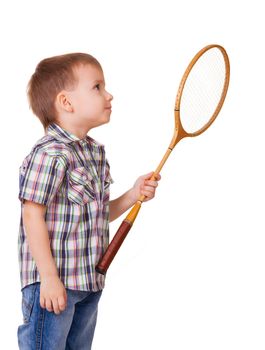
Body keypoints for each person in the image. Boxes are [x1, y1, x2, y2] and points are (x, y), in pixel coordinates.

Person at [17, 52, 160, 349]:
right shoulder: (49, 153)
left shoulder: (94, 153)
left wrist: (133, 195)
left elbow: (94, 214)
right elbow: (32, 215)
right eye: (97, 87)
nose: (109, 94)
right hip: (55, 285)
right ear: (66, 102)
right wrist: (48, 278)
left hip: (89, 282)